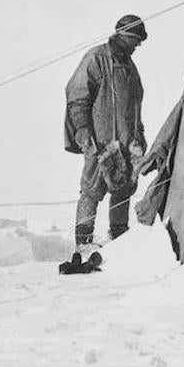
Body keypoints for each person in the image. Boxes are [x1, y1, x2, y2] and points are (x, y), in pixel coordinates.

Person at [64, 14, 147, 248]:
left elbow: (135, 106)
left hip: (125, 142)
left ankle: (118, 240)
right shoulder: (96, 58)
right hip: (97, 142)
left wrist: (138, 136)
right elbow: (77, 96)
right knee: (91, 189)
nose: (138, 45)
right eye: (136, 40)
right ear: (125, 36)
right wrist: (81, 130)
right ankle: (83, 242)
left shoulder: (130, 67)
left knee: (123, 190)